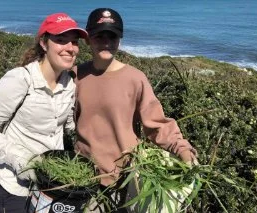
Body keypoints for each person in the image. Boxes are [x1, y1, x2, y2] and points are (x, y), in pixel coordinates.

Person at [73, 8, 198, 212]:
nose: (106, 42)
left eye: (112, 36)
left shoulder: (135, 78)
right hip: (84, 176)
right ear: (88, 39)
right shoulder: (76, 76)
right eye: (99, 36)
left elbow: (156, 123)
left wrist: (182, 149)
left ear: (120, 40)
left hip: (128, 179)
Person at [0, 13, 87, 213]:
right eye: (61, 40)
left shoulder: (69, 83)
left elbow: (67, 126)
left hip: (52, 185)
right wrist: (23, 162)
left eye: (74, 42)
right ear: (44, 43)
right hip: (16, 187)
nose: (70, 48)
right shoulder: (20, 80)